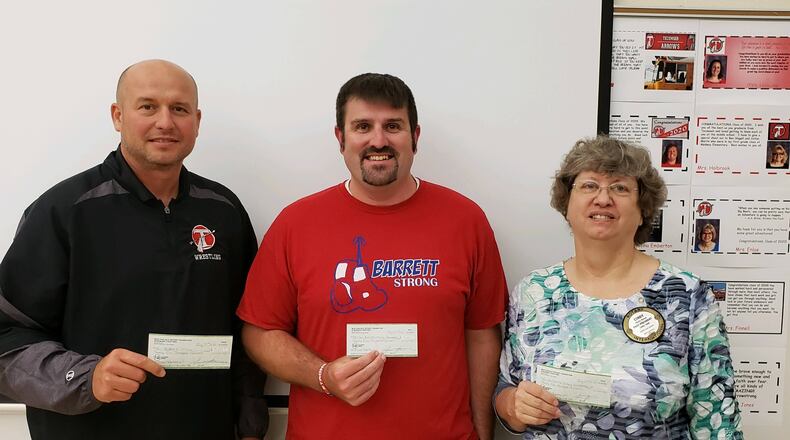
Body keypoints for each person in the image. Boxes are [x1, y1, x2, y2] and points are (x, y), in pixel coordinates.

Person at [0, 60, 268, 439]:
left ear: (197, 120)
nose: (165, 122)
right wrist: (85, 377)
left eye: (179, 109)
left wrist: (252, 419)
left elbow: (249, 328)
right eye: (148, 106)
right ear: (118, 116)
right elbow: (7, 338)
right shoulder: (64, 211)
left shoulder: (223, 210)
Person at [237, 73, 507, 439]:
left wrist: (483, 433)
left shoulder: (466, 220)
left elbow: (481, 335)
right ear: (341, 138)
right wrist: (323, 375)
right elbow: (260, 332)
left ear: (415, 137)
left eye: (393, 126)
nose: (378, 140)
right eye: (363, 126)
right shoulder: (295, 223)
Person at [495, 136, 742, 439]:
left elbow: (717, 421)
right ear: (566, 205)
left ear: (642, 210)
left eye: (620, 188)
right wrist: (514, 406)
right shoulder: (533, 293)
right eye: (589, 186)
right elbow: (506, 390)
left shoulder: (687, 297)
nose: (602, 199)